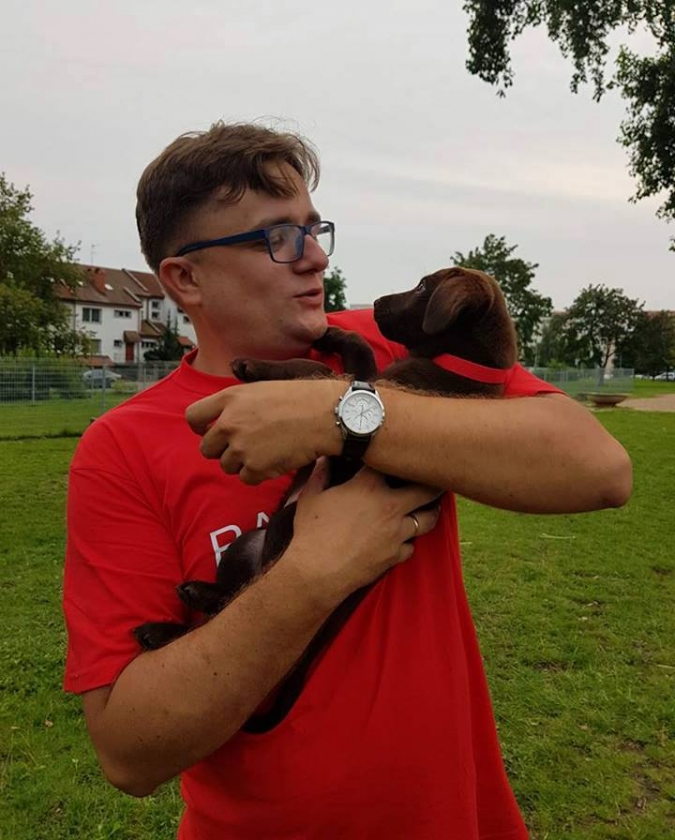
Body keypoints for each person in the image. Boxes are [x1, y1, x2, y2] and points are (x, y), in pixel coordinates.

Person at [64, 122, 632, 840]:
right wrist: (312, 573)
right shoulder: (121, 449)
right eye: (277, 237)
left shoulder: (383, 346)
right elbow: (128, 751)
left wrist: (341, 413)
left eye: (314, 229)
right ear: (186, 279)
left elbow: (598, 468)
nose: (314, 258)